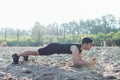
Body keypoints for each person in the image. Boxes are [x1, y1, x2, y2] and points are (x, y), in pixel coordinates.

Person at [12, 37, 96, 67]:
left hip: (55, 48)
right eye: (90, 44)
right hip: (53, 47)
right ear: (85, 44)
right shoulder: (75, 48)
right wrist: (89, 63)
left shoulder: (79, 50)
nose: (91, 46)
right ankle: (16, 55)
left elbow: (80, 60)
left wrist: (90, 62)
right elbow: (75, 63)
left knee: (36, 52)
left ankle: (25, 55)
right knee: (36, 52)